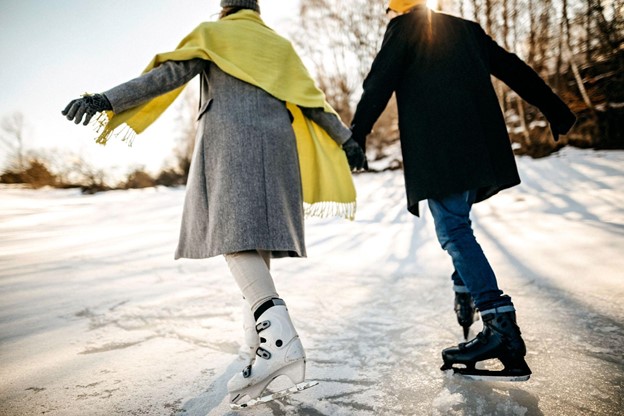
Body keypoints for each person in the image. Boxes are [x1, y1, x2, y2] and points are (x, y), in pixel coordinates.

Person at [62, 0, 365, 407]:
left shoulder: (214, 34)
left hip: (231, 142)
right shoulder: (278, 45)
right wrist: (347, 140)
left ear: (224, 8)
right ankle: (256, 346)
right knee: (255, 242)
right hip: (278, 147)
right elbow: (313, 102)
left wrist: (107, 99)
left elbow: (168, 75)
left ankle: (278, 343)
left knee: (233, 237)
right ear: (256, 8)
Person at [349, 0, 576, 381]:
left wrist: (357, 132)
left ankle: (500, 325)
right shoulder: (467, 29)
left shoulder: (403, 29)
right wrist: (554, 107)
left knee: (453, 231)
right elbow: (512, 67)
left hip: (441, 152)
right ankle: (464, 288)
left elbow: (379, 81)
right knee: (458, 223)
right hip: (479, 149)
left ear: (397, 10)